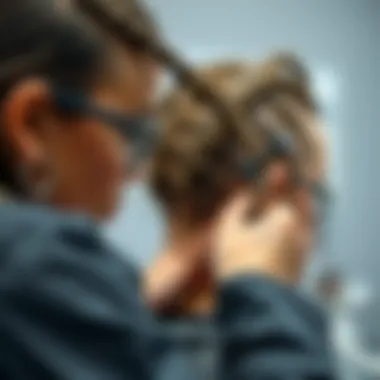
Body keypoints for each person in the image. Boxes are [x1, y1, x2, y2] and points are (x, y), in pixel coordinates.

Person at [0, 1, 335, 380]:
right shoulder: (30, 263)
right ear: (29, 123)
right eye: (132, 134)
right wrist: (268, 290)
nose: (134, 174)